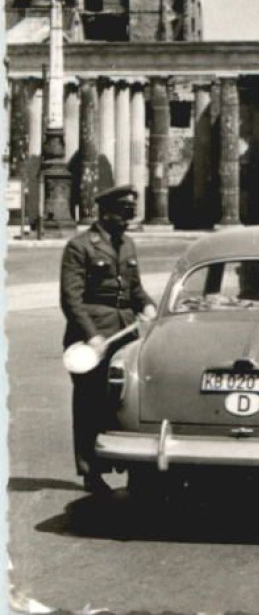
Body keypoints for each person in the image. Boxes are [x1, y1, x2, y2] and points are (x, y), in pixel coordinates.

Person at [60, 183, 156, 494]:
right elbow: (71, 299)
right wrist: (92, 336)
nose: (129, 219)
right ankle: (91, 471)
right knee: (89, 404)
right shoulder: (80, 246)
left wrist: (149, 305)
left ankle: (130, 466)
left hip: (125, 335)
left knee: (125, 402)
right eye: (124, 213)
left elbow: (135, 288)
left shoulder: (127, 244)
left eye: (132, 213)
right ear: (106, 212)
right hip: (93, 339)